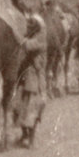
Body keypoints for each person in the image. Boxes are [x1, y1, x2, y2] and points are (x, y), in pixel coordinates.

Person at [16, 12, 47, 147]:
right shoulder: (33, 36)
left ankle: (31, 141)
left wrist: (15, 34)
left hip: (35, 79)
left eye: (31, 24)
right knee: (20, 109)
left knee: (32, 112)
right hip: (26, 77)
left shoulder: (40, 39)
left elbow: (27, 45)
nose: (28, 26)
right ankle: (24, 135)